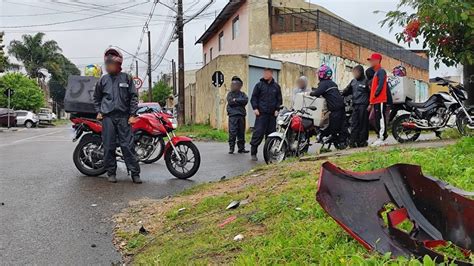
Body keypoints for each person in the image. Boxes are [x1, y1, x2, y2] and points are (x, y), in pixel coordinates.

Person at [93, 47, 141, 184]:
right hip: (108, 118)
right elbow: (96, 98)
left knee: (127, 146)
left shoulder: (127, 78)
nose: (109, 66)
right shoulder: (103, 80)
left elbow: (133, 97)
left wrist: (133, 114)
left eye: (112, 63)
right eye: (107, 64)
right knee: (109, 146)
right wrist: (99, 111)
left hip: (124, 117)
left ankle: (135, 173)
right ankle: (111, 172)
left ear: (119, 64)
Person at [310, 64, 348, 148]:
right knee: (341, 125)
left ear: (321, 74)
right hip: (341, 107)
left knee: (333, 126)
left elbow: (316, 93)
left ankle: (332, 138)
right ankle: (339, 140)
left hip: (335, 109)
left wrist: (310, 93)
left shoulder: (323, 84)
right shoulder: (332, 83)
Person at [249, 68, 283, 161]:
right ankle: (253, 153)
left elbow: (279, 99)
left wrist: (277, 109)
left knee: (271, 135)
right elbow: (253, 98)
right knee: (258, 133)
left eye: (267, 73)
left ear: (271, 74)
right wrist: (255, 108)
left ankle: (268, 154)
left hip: (272, 115)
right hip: (261, 114)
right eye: (264, 73)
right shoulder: (259, 85)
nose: (265, 74)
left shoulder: (276, 87)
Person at [343, 65, 369, 147]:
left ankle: (362, 142)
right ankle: (352, 142)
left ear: (361, 72)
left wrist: (370, 104)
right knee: (354, 124)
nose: (355, 74)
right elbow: (346, 91)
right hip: (355, 106)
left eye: (356, 72)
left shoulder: (367, 81)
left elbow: (371, 93)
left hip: (363, 106)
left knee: (363, 125)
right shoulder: (353, 82)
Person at [367, 53, 389, 147]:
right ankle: (379, 137)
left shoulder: (381, 71)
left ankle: (381, 137)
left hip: (380, 99)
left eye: (372, 60)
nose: (370, 62)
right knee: (376, 119)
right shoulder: (376, 72)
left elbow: (380, 84)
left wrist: (376, 94)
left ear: (377, 61)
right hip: (375, 100)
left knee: (380, 118)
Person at [226, 76, 249, 154]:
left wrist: (236, 100)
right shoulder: (230, 94)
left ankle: (241, 148)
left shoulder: (243, 94)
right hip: (233, 116)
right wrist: (238, 102)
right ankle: (231, 148)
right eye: (233, 84)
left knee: (241, 132)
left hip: (241, 115)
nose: (234, 85)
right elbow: (230, 102)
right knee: (232, 132)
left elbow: (245, 101)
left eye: (236, 84)